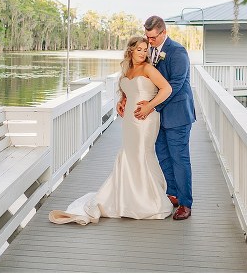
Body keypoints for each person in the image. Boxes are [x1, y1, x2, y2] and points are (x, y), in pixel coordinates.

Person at [48, 36, 173, 225]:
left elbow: (167, 89)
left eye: (145, 49)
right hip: (129, 120)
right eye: (139, 49)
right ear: (130, 50)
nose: (143, 53)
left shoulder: (149, 68)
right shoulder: (127, 69)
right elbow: (127, 90)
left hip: (145, 118)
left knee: (141, 154)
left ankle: (146, 200)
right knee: (130, 154)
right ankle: (126, 198)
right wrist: (122, 101)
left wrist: (149, 106)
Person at [143, 15, 196, 220]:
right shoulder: (151, 50)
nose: (150, 41)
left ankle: (185, 203)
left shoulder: (178, 52)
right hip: (158, 115)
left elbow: (175, 85)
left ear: (163, 33)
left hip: (177, 114)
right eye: (147, 37)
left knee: (179, 158)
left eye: (153, 38)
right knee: (163, 154)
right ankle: (172, 192)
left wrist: (153, 105)